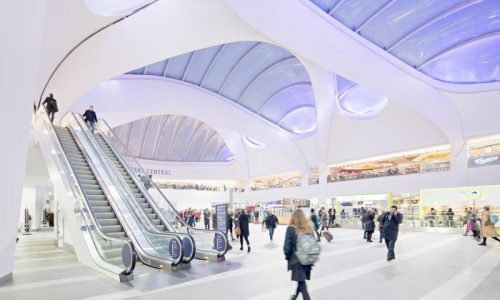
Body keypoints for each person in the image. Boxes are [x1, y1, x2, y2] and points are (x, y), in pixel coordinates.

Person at [284, 209, 314, 300]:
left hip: (297, 262)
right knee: (301, 281)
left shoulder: (290, 229)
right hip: (307, 261)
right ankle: (294, 297)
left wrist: (288, 257)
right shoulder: (308, 228)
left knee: (302, 284)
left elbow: (286, 248)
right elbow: (313, 244)